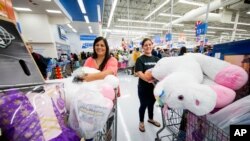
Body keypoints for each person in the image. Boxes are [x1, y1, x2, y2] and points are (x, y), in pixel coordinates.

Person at [135, 38, 161, 132]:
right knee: (143, 105)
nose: (148, 46)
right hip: (143, 88)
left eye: (150, 44)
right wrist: (150, 79)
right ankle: (141, 122)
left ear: (152, 45)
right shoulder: (140, 59)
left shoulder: (157, 59)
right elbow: (139, 73)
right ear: (142, 47)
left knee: (152, 104)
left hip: (154, 88)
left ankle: (150, 118)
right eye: (146, 45)